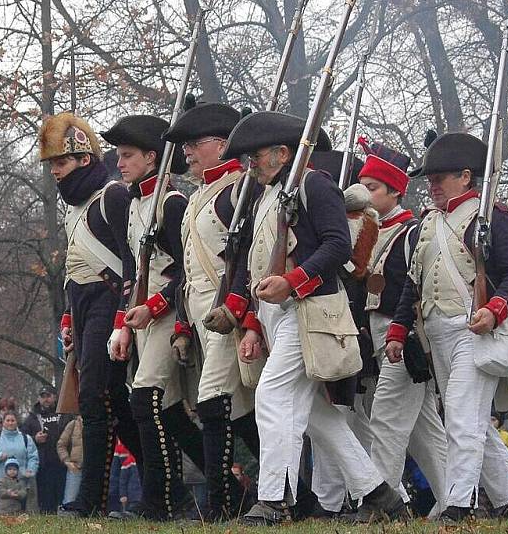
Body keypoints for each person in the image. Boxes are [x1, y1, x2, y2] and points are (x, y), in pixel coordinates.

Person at [225, 111, 407, 525]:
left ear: (282, 153)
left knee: (272, 396)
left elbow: (338, 245)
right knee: (320, 418)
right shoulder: (265, 195)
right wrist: (253, 323)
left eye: (255, 156)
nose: (249, 164)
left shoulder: (314, 185)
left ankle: (274, 499)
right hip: (279, 314)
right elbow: (257, 264)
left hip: (310, 311)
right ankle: (379, 494)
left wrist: (293, 280)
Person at [386, 131, 508, 521]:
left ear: (466, 177)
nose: (432, 185)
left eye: (441, 177)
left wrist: (496, 309)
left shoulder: (492, 218)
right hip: (438, 334)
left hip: (478, 330)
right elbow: (412, 284)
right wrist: (399, 329)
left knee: (463, 417)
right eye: (430, 179)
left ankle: (459, 503)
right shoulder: (426, 225)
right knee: (470, 423)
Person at [163, 103, 262, 521]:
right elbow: (189, 270)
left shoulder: (240, 190)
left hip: (231, 314)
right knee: (241, 413)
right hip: (204, 316)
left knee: (212, 400)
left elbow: (251, 257)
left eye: (195, 143)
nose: (187, 151)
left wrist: (242, 309)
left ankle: (220, 504)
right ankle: (293, 488)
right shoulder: (197, 197)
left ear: (223, 145)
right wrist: (184, 324)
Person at [40, 112, 142, 517]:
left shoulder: (112, 196)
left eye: (60, 163)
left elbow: (132, 264)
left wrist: (120, 317)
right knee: (110, 400)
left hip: (108, 299)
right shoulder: (73, 207)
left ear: (83, 159)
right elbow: (73, 266)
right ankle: (158, 478)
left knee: (96, 397)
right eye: (52, 165)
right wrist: (68, 318)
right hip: (81, 302)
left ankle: (92, 500)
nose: (55, 172)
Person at [103, 114, 204, 520]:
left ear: (151, 156)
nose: (120, 163)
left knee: (148, 399)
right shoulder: (134, 205)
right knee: (170, 412)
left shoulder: (172, 203)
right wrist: (122, 323)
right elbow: (132, 272)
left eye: (127, 156)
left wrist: (156, 307)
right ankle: (223, 487)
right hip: (143, 318)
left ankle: (161, 501)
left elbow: (186, 269)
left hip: (170, 314)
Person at [356, 136, 447, 511]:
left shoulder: (412, 231)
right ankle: (457, 498)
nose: (364, 194)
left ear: (395, 191)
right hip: (380, 333)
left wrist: (404, 331)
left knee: (387, 418)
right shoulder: (367, 232)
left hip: (404, 334)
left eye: (372, 188)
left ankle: (384, 503)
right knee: (426, 431)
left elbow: (417, 289)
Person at [21, 386, 68, 513]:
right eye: (43, 396)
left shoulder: (64, 413)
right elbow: (22, 438)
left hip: (63, 463)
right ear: (39, 398)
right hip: (43, 464)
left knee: (64, 498)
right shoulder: (32, 417)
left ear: (55, 397)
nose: (46, 399)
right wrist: (35, 438)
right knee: (46, 500)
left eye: (48, 396)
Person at [0, 411, 39, 513]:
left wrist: (30, 470)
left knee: (22, 512)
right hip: (0, 482)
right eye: (7, 420)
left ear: (17, 422)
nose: (10, 423)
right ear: (3, 422)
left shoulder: (26, 439)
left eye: (13, 420)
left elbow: (33, 457)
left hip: (21, 482)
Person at [56, 415, 83, 506]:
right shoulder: (73, 424)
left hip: (93, 469)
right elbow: (61, 445)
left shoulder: (97, 425)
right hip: (75, 468)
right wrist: (67, 461)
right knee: (69, 500)